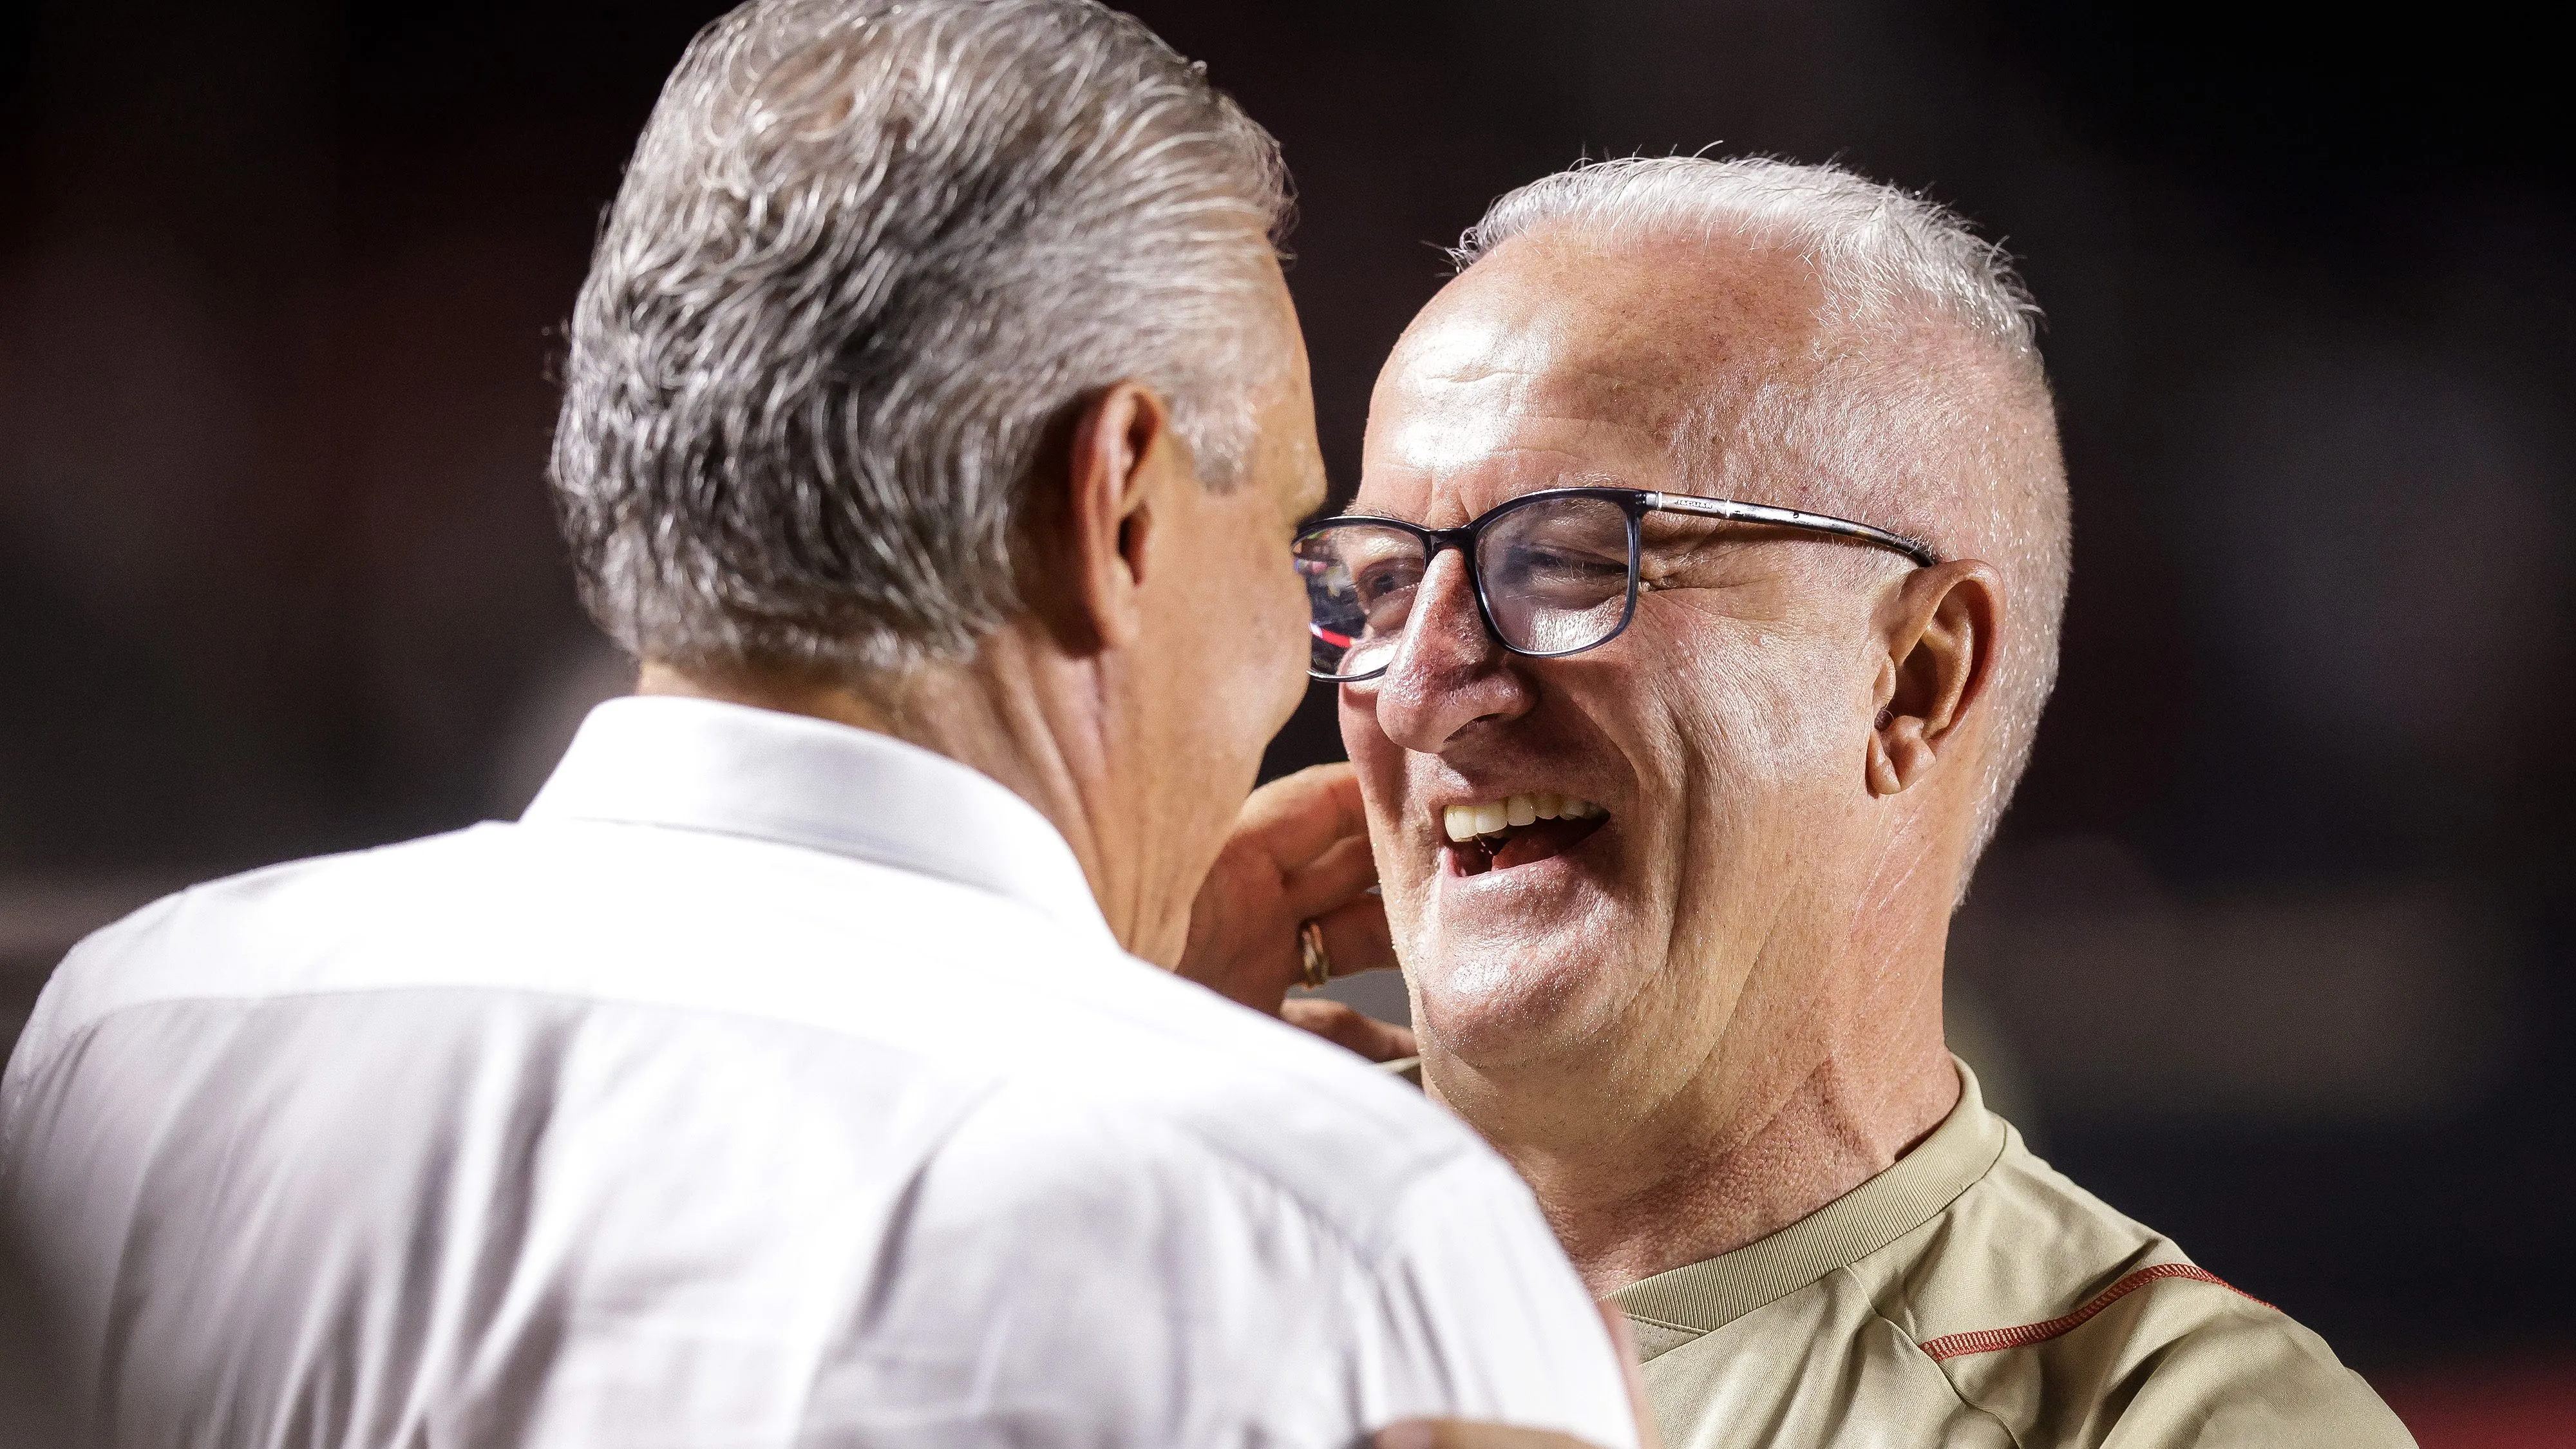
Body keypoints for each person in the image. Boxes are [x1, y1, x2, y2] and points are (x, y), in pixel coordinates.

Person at [0, 4, 1642, 1444]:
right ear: (1119, 505)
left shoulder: (127, 1036)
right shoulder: (1333, 1235)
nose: (1319, 644)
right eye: (1289, 537)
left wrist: (1105, 1013)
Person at [1242, 156, 2414, 1447]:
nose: (1415, 691)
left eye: (1570, 560)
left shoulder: (2174, 1419)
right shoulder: (1150, 1220)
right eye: (1382, 583)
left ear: (1911, 679)